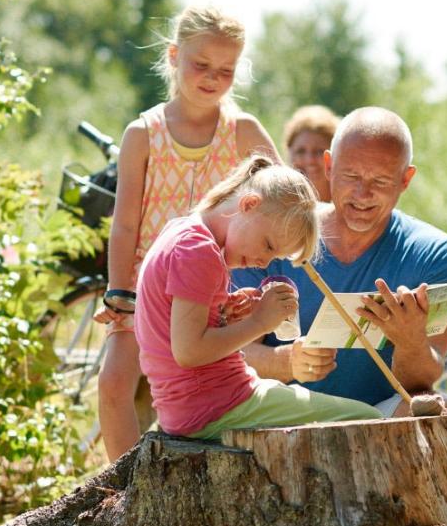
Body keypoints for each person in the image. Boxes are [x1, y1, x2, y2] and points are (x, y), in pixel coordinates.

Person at [92, 5, 280, 462]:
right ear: (174, 56)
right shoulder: (144, 133)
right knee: (115, 383)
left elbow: (281, 202)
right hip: (146, 289)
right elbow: (125, 223)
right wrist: (120, 290)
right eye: (201, 65)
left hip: (210, 294)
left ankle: (183, 483)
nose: (213, 77)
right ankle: (121, 490)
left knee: (192, 396)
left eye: (226, 70)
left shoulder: (243, 132)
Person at [234, 107, 447, 417]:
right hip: (280, 413)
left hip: (377, 419)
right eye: (351, 176)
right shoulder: (275, 233)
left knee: (445, 413)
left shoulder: (434, 252)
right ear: (328, 166)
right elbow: (229, 353)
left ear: (405, 179)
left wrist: (410, 341)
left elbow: (420, 384)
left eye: (381, 181)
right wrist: (287, 360)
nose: (362, 194)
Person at [135, 156, 380, 440]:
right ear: (249, 205)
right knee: (369, 420)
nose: (264, 262)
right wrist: (261, 323)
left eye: (273, 256)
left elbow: (175, 329)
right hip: (213, 407)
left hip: (201, 404)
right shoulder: (199, 250)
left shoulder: (182, 233)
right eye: (268, 245)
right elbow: (189, 352)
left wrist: (225, 314)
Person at [281, 105, 338, 202]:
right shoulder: (277, 204)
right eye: (301, 151)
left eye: (319, 151)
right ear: (289, 152)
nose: (310, 160)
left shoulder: (350, 205)